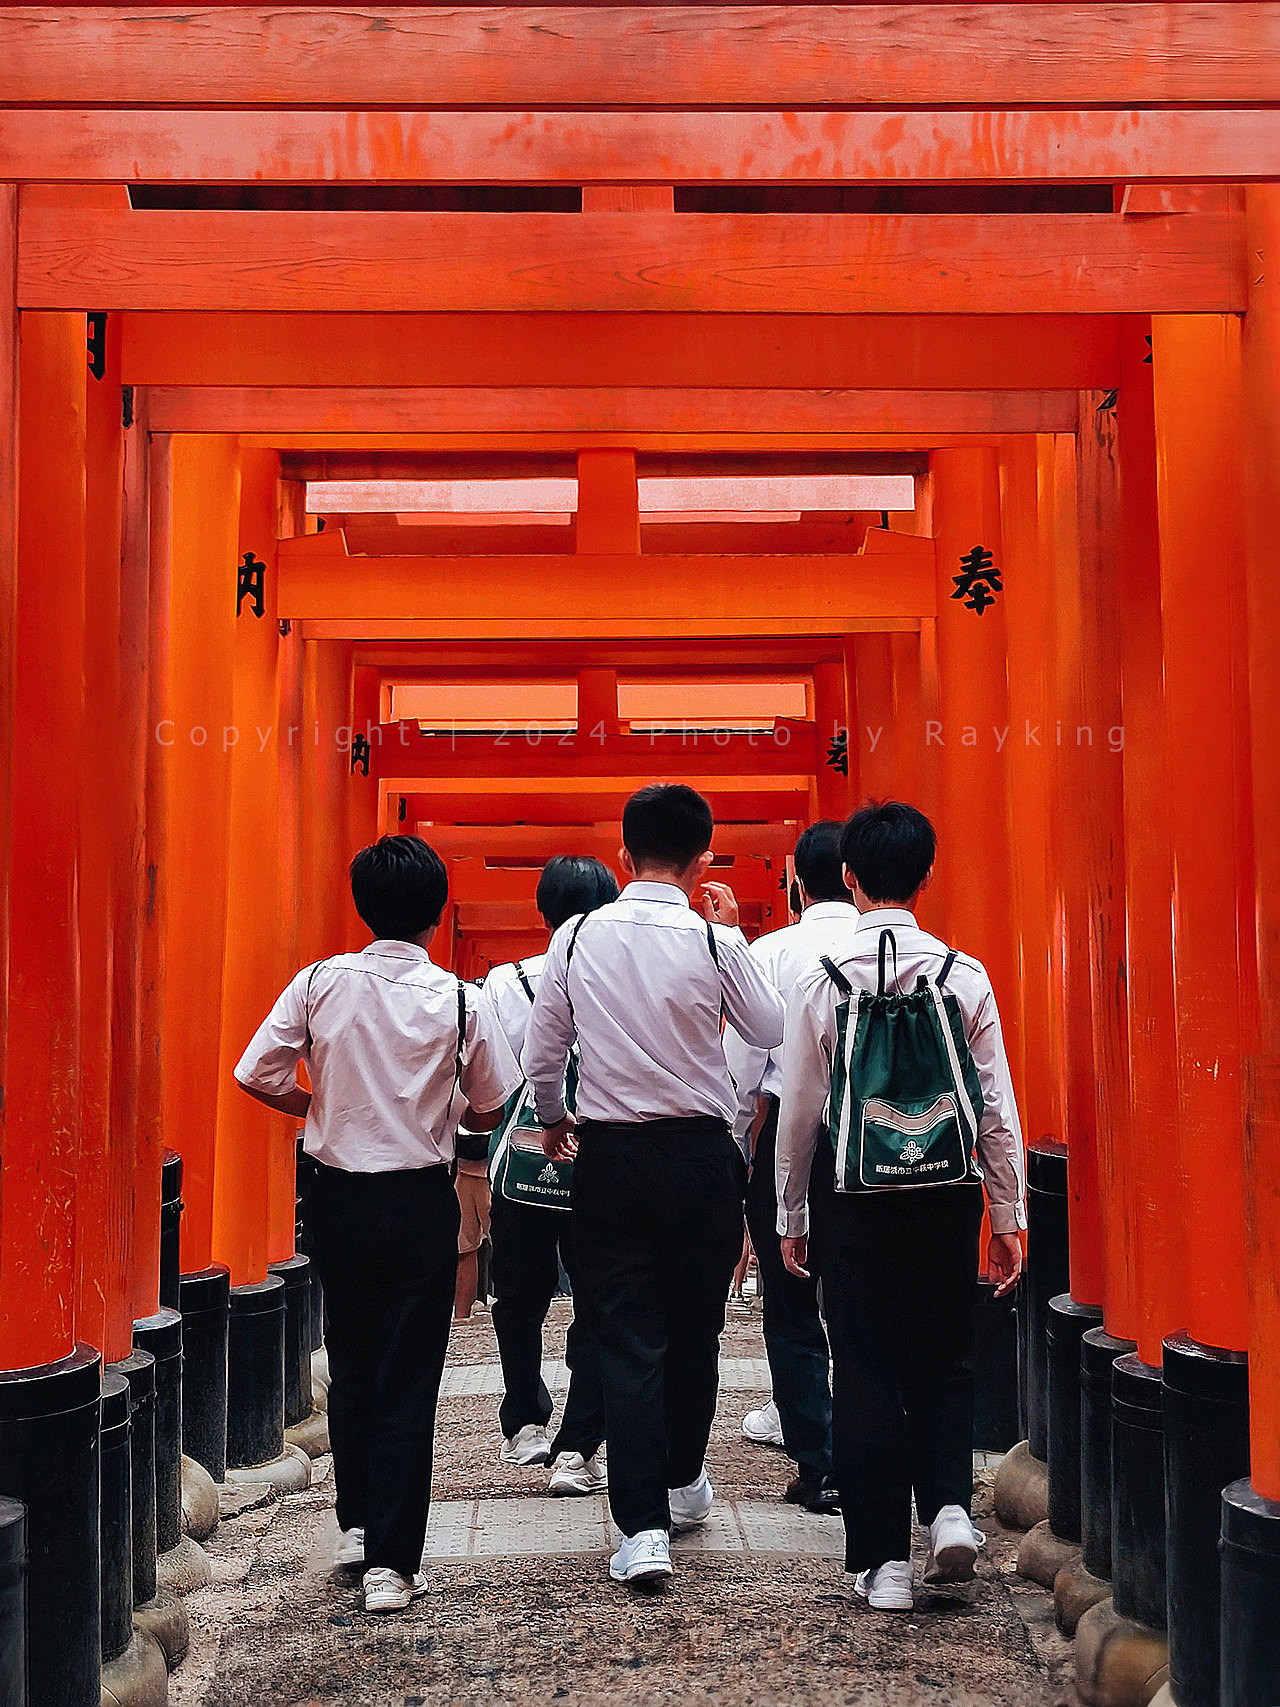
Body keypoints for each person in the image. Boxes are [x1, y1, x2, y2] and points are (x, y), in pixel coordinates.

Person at [234, 835, 521, 1615]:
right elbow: (491, 1105)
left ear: (364, 907)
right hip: (417, 1200)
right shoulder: (461, 998)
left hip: (337, 1197)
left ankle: (356, 1524)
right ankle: (392, 1563)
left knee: (354, 1362)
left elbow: (256, 1071)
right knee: (408, 1378)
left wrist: (318, 1105)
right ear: (437, 914)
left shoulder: (320, 981)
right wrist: (442, 1109)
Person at [522, 783, 785, 1588]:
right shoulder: (714, 942)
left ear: (622, 854)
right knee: (696, 1330)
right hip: (701, 1159)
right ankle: (680, 1479)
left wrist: (555, 1115)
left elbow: (543, 1046)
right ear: (703, 857)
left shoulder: (575, 938)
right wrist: (734, 939)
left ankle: (642, 1531)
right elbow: (769, 1029)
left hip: (613, 1158)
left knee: (628, 1336)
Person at [776, 802, 1025, 1613]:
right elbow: (994, 1104)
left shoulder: (823, 979)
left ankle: (882, 1562)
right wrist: (1008, 1207)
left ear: (849, 877)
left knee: (866, 1367)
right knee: (947, 1351)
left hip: (855, 1197)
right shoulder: (966, 975)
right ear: (926, 874)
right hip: (946, 1191)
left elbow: (801, 1109)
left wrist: (790, 1216)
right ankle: (950, 1505)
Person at [723, 820, 856, 1518]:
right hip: (886, 1155)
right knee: (870, 1310)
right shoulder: (907, 951)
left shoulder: (772, 952)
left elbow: (744, 1070)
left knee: (793, 1308)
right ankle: (885, 1460)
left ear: (796, 882)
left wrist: (737, 1147)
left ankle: (820, 1463)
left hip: (791, 1148)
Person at [481, 855, 618, 1493]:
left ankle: (525, 1418)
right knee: (600, 1296)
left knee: (518, 1295)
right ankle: (581, 1439)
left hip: (525, 1157)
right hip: (600, 1161)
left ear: (542, 912)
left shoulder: (505, 983)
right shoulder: (623, 982)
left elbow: (491, 1071)